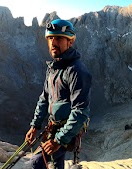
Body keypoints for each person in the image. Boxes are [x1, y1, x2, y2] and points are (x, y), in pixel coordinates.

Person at [25, 19, 92, 169]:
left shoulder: (76, 71)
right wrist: (34, 126)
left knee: (36, 163)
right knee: (57, 164)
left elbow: (80, 112)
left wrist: (58, 140)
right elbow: (44, 98)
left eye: (59, 38)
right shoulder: (53, 68)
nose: (53, 42)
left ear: (70, 42)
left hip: (68, 130)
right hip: (55, 127)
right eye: (50, 38)